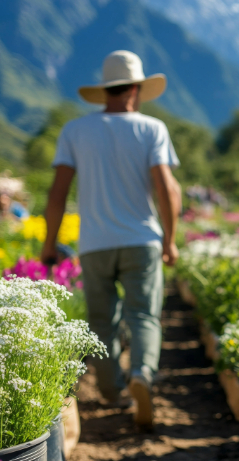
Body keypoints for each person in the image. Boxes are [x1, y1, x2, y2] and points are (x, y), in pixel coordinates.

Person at [40, 50, 182, 428]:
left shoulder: (75, 131)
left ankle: (109, 386)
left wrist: (49, 243)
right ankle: (142, 375)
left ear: (105, 92)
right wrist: (170, 240)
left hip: (95, 243)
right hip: (141, 240)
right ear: (136, 89)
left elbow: (57, 196)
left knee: (102, 321)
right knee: (143, 316)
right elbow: (166, 188)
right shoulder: (152, 129)